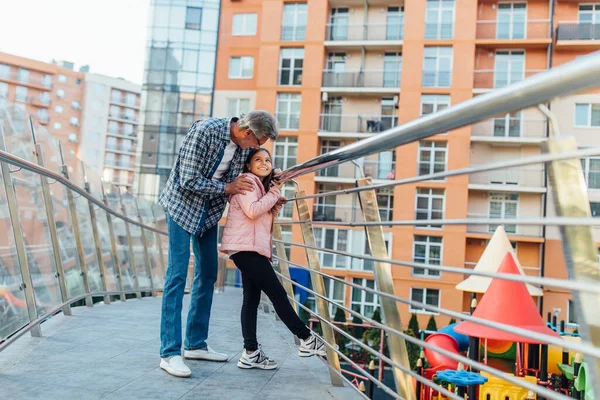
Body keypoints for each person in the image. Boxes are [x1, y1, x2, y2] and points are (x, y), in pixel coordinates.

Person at [158, 111, 279, 378]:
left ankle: (195, 344)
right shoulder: (206, 131)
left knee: (209, 273)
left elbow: (248, 174)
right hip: (181, 207)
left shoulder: (242, 147)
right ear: (247, 133)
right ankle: (169, 353)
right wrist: (227, 188)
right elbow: (188, 179)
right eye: (257, 142)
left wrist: (274, 175)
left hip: (208, 212)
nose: (257, 149)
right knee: (177, 275)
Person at [220, 148, 326, 370]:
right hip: (246, 250)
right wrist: (274, 193)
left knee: (251, 301)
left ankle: (250, 353)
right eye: (257, 159)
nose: (263, 163)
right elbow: (251, 210)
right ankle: (307, 339)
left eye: (267, 160)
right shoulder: (248, 181)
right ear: (248, 165)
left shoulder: (258, 186)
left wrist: (273, 205)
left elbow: (259, 219)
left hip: (246, 249)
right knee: (277, 294)